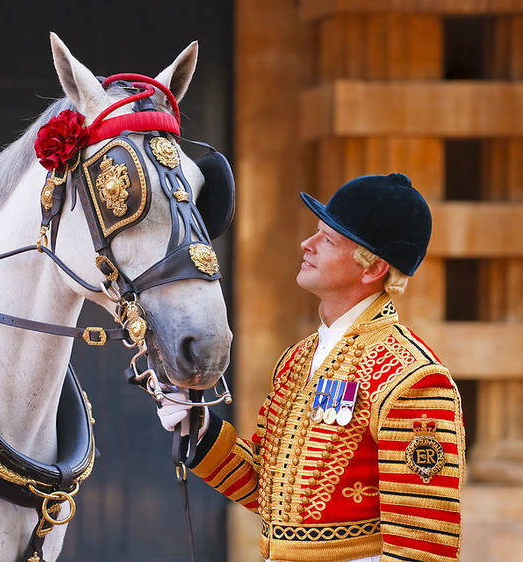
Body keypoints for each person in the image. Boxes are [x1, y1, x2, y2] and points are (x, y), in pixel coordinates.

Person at [157, 173, 464, 562]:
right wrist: (201, 430)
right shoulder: (297, 359)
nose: (307, 244)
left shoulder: (412, 378)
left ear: (372, 269)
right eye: (317, 232)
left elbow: (422, 544)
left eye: (329, 239)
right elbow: (266, 492)